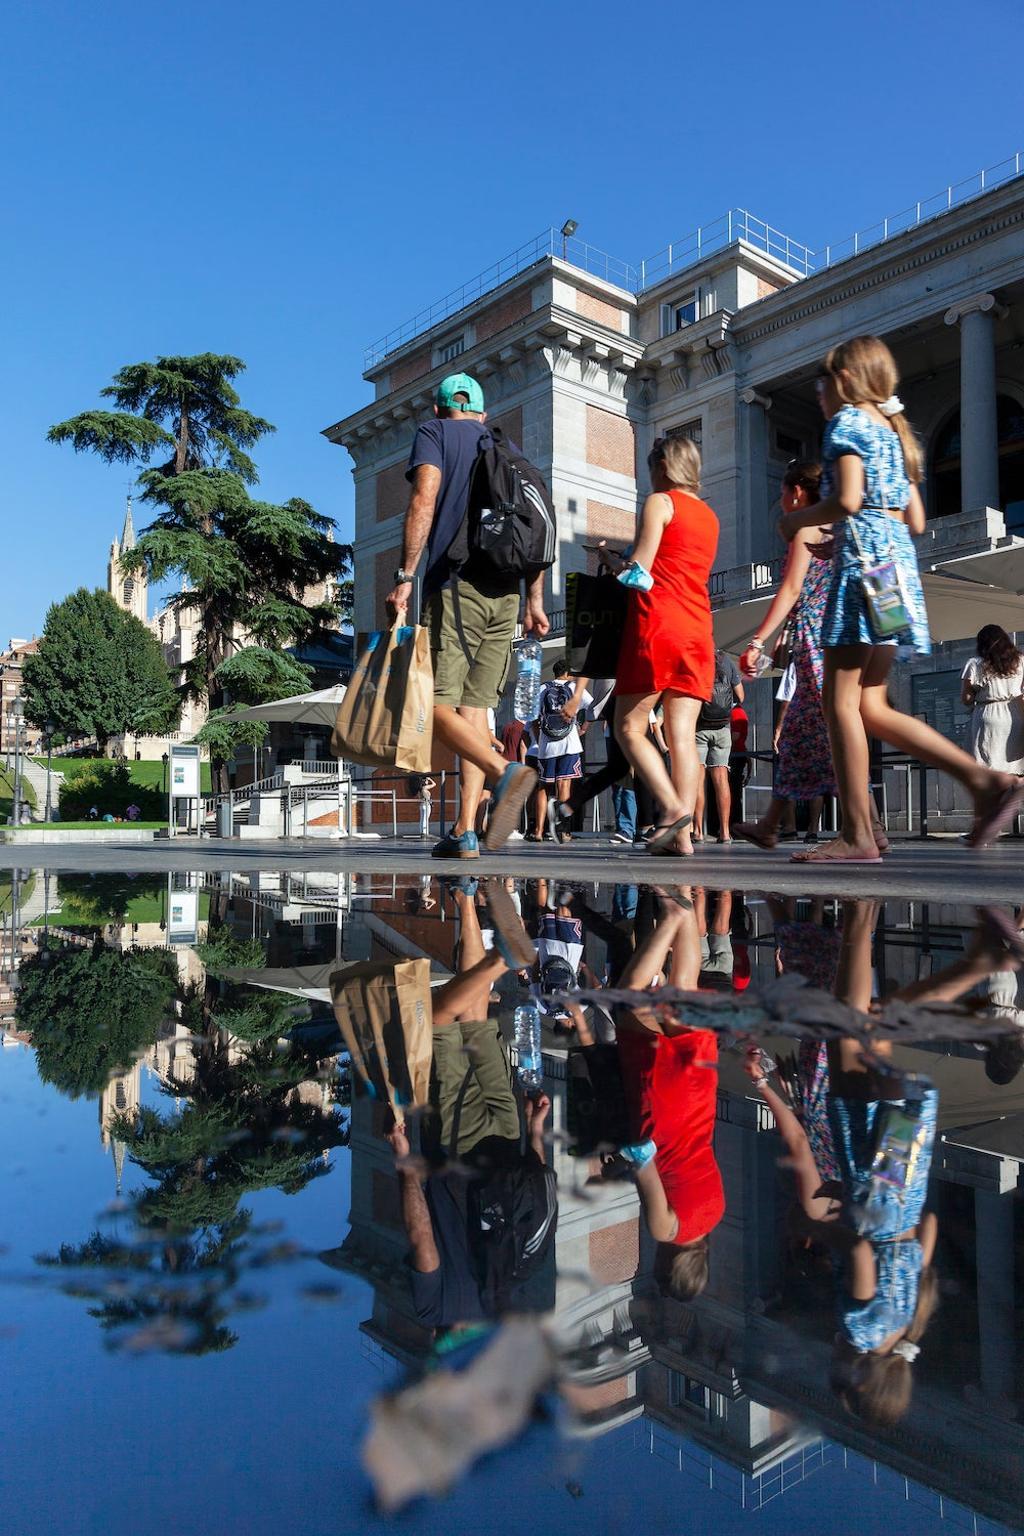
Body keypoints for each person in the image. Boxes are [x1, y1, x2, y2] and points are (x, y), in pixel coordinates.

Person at [779, 335, 1024, 863]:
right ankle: (982, 780)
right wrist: (848, 535)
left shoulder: (847, 423)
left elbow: (847, 499)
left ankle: (858, 834)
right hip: (892, 571)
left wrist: (798, 521)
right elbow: (912, 518)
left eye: (823, 382)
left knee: (839, 704)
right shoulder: (895, 433)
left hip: (861, 570)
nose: (819, 393)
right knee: (869, 702)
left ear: (846, 379)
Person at [385, 373, 544, 860]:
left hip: (456, 585)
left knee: (430, 703)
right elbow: (537, 525)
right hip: (507, 594)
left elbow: (424, 497)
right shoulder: (506, 447)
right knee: (475, 710)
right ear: (482, 413)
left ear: (438, 409)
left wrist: (406, 576)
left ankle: (503, 773)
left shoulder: (434, 433)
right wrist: (534, 600)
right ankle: (465, 830)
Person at [611, 435, 719, 857]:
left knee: (629, 727)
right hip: (698, 629)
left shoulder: (660, 502)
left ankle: (672, 810)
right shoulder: (709, 515)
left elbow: (640, 570)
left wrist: (615, 566)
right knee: (683, 737)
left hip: (659, 623)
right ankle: (682, 837)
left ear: (662, 466)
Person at [532, 661, 591, 843]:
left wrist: (540, 739)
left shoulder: (542, 688)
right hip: (569, 744)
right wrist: (583, 728)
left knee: (543, 787)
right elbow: (592, 707)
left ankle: (538, 831)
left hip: (546, 745)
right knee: (564, 785)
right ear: (567, 673)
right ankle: (563, 831)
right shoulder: (574, 688)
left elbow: (533, 719)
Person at [693, 650, 743, 843]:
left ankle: (698, 831)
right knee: (722, 779)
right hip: (723, 727)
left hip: (699, 727)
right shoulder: (727, 661)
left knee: (698, 780)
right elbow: (741, 696)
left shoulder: (695, 659)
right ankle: (725, 832)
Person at [961, 624, 1024, 775]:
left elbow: (966, 699)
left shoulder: (975, 663)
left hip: (987, 713)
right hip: (1015, 714)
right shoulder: (1020, 660)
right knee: (1015, 768)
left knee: (987, 768)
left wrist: (977, 692)